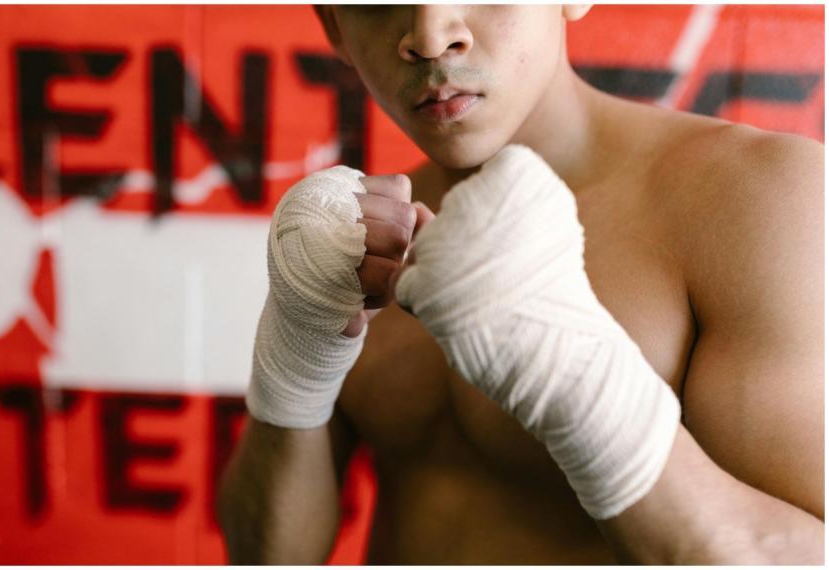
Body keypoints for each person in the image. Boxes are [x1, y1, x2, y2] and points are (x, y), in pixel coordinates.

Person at [217, 5, 824, 564]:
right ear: (333, 27)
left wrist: (586, 386)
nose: (430, 36)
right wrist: (297, 351)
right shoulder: (355, 235)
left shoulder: (759, 199)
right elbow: (265, 556)